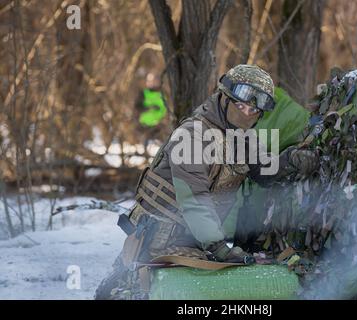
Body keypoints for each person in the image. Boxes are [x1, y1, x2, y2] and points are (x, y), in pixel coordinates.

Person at [95, 64, 319, 299]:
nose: (248, 113)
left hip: (196, 240)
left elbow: (267, 169)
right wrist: (218, 247)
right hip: (161, 240)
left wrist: (293, 161)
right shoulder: (192, 135)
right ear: (224, 97)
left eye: (255, 110)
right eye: (242, 104)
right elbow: (194, 198)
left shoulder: (241, 137)